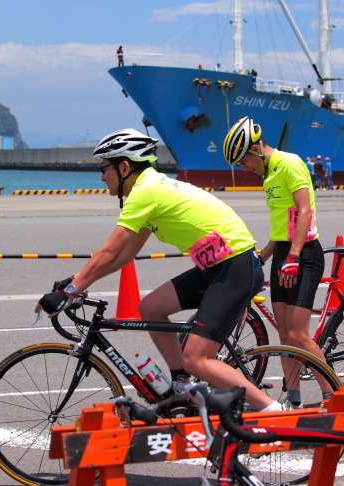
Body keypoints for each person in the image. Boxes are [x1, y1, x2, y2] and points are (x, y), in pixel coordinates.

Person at [36, 128, 282, 412]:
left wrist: (70, 291)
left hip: (235, 267)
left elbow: (110, 251)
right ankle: (182, 384)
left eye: (104, 168)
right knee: (151, 307)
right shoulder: (149, 190)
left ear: (124, 166)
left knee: (197, 358)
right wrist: (77, 280)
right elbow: (124, 255)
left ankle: (272, 410)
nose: (101, 176)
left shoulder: (146, 191)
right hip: (217, 268)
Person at [223, 117, 329, 409]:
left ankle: (335, 393)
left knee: (297, 333)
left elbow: (304, 212)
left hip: (304, 252)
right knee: (283, 335)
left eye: (243, 161)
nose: (244, 168)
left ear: (256, 148)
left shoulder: (290, 163)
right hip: (283, 252)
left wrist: (293, 257)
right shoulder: (268, 176)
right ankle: (293, 399)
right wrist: (262, 257)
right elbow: (281, 227)